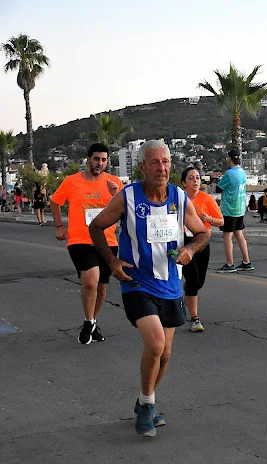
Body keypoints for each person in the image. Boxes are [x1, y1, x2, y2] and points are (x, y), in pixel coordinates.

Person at [89, 140, 209, 437]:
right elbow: (96, 227)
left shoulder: (179, 197)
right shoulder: (128, 197)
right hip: (137, 283)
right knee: (155, 344)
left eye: (165, 162)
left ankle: (146, 399)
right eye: (154, 162)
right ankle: (147, 405)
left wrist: (190, 249)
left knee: (165, 354)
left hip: (171, 284)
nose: (161, 168)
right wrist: (112, 262)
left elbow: (202, 233)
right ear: (142, 166)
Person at [50, 143, 123, 344]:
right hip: (80, 240)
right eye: (96, 159)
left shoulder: (114, 182)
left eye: (103, 160)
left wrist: (116, 194)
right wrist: (59, 226)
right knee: (91, 281)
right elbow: (55, 201)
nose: (100, 163)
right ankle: (89, 321)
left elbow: (126, 210)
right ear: (88, 159)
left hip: (107, 241)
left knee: (102, 287)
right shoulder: (72, 181)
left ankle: (91, 322)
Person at [181, 167, 223, 332]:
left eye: (198, 178)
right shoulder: (179, 199)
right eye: (191, 178)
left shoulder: (207, 198)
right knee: (193, 280)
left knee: (199, 282)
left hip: (202, 242)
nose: (195, 181)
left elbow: (221, 221)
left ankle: (187, 294)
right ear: (184, 182)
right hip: (185, 242)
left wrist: (209, 219)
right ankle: (195, 319)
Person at [216, 148, 253, 273]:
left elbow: (218, 188)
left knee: (227, 235)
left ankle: (229, 263)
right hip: (240, 208)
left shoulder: (229, 174)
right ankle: (246, 261)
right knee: (239, 234)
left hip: (230, 209)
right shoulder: (242, 172)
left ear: (229, 159)